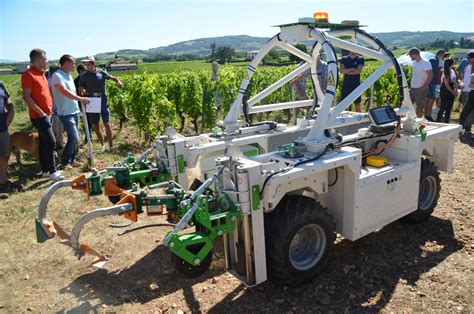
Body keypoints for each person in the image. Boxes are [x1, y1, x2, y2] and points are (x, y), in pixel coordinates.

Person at [21, 49, 64, 181]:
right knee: (51, 141)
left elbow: (45, 93)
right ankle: (52, 171)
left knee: (44, 142)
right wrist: (40, 112)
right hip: (39, 116)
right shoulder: (28, 74)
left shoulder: (42, 74)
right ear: (37, 60)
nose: (47, 61)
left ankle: (45, 170)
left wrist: (50, 108)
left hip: (47, 113)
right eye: (45, 59)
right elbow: (26, 96)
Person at [51, 54, 90, 167]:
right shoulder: (57, 76)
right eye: (73, 63)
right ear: (67, 63)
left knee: (74, 136)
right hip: (65, 112)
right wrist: (80, 98)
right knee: (74, 136)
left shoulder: (68, 76)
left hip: (74, 110)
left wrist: (80, 94)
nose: (74, 66)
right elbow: (63, 91)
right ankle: (65, 161)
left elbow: (72, 92)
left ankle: (72, 160)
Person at [79, 55, 123, 150]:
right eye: (85, 63)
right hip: (92, 102)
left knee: (107, 124)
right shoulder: (83, 76)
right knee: (96, 125)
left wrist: (118, 82)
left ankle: (111, 146)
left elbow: (113, 78)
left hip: (103, 101)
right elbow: (81, 89)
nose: (87, 65)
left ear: (93, 63)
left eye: (88, 63)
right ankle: (102, 145)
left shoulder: (101, 73)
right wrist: (82, 92)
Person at [408, 48, 433, 118]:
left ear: (414, 55)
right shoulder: (415, 63)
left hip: (420, 88)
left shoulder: (425, 62)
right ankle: (410, 120)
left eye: (410, 56)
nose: (410, 57)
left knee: (419, 107)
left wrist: (424, 87)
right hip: (412, 88)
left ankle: (417, 124)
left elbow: (430, 75)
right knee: (408, 105)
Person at [0, 81, 14, 191]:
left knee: (4, 155)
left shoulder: (1, 84)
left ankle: (3, 181)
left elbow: (7, 101)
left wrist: (10, 110)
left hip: (2, 128)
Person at [47, 64, 64, 150]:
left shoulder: (47, 81)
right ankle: (59, 144)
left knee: (53, 127)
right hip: (58, 106)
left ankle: (54, 145)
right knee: (59, 127)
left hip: (50, 107)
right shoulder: (57, 80)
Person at [425, 50, 445, 121]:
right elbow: (432, 72)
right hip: (432, 82)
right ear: (441, 54)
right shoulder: (434, 60)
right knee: (431, 99)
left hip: (432, 82)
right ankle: (428, 115)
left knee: (429, 99)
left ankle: (427, 115)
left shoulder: (434, 60)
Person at [436, 58, 458, 123]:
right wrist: (452, 91)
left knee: (449, 108)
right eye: (453, 63)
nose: (454, 64)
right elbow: (446, 84)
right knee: (443, 107)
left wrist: (458, 85)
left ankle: (446, 121)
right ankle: (438, 121)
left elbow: (455, 80)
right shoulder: (446, 73)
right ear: (450, 64)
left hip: (450, 90)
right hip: (446, 91)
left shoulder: (452, 71)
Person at [459, 50, 474, 136]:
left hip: (471, 91)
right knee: (465, 110)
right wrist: (461, 83)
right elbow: (463, 78)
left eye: (470, 58)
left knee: (469, 111)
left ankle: (467, 127)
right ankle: (465, 127)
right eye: (468, 57)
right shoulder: (467, 66)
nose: (468, 59)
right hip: (465, 91)